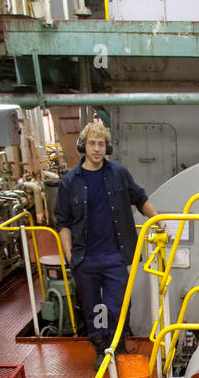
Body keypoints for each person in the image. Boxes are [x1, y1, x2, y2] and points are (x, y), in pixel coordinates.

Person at [54, 120, 157, 365]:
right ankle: (101, 349)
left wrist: (159, 220)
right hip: (85, 258)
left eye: (101, 144)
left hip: (115, 257)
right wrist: (69, 254)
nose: (97, 149)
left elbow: (140, 198)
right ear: (83, 146)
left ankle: (118, 347)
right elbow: (63, 221)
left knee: (118, 305)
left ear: (107, 148)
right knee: (92, 307)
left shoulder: (118, 174)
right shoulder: (71, 182)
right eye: (92, 143)